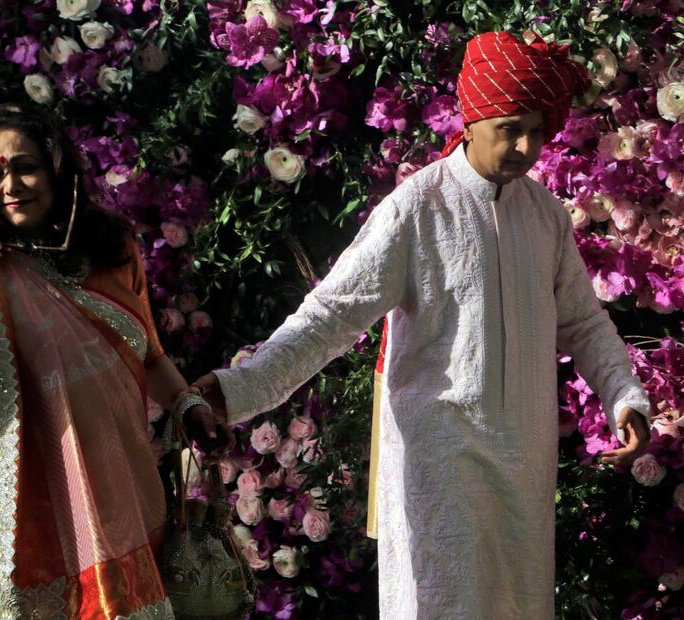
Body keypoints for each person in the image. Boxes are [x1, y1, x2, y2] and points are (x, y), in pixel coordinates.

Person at [194, 32, 651, 619]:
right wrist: (238, 388)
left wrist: (624, 398)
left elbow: (585, 323)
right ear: (473, 115)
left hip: (524, 466)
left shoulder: (544, 217)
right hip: (442, 462)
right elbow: (331, 315)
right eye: (509, 127)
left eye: (537, 131)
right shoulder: (416, 207)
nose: (524, 146)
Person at [0, 104, 232, 619]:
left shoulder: (109, 251)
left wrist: (189, 405)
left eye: (25, 167)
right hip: (35, 519)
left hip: (127, 495)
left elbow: (149, 354)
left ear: (57, 169)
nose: (11, 185)